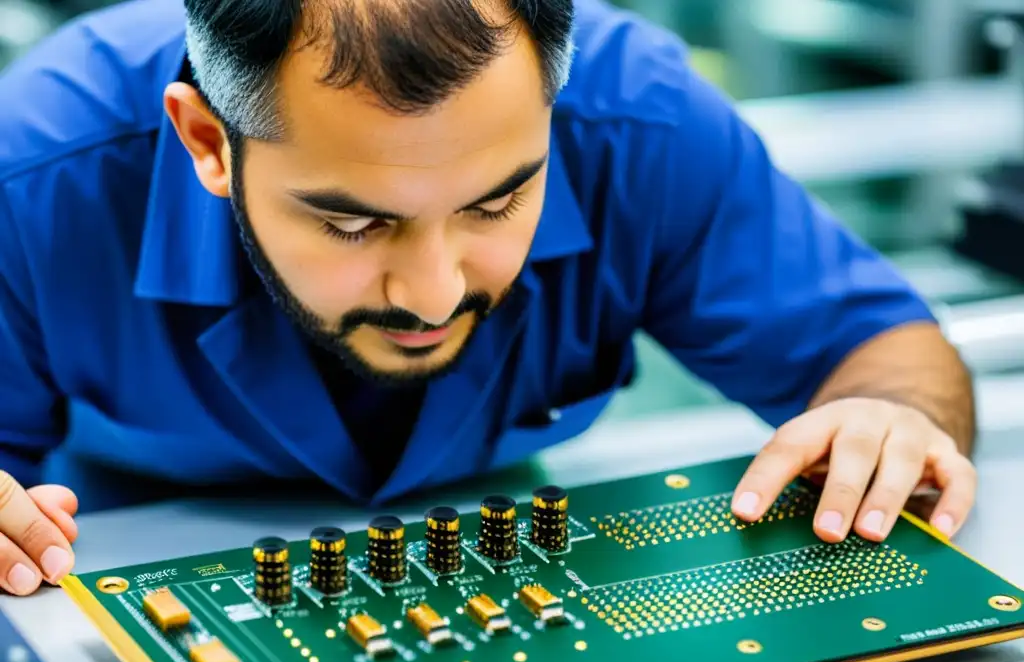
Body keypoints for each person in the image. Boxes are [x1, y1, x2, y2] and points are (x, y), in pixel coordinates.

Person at [0, 0, 976, 598]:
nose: (435, 290)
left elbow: (877, 347)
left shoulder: (642, 118)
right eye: (352, 224)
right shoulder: (36, 176)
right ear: (208, 144)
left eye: (498, 199)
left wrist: (891, 418)